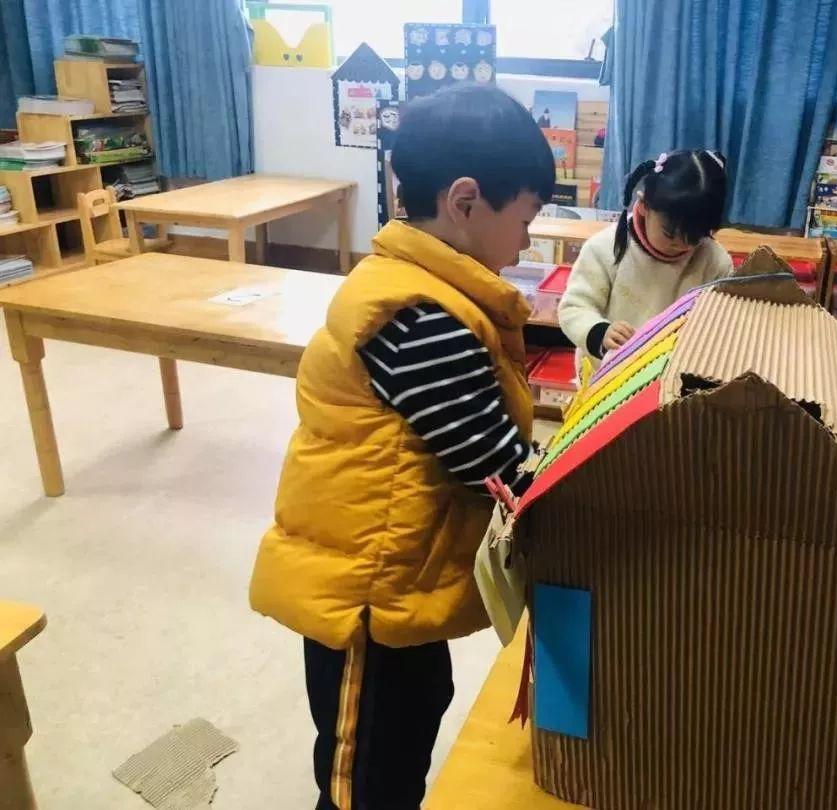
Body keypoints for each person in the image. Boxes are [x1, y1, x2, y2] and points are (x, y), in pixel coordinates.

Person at [249, 83, 555, 810]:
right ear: (465, 201)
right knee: (368, 778)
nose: (526, 243)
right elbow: (492, 466)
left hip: (397, 578)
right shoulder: (419, 317)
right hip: (363, 596)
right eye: (524, 221)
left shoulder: (422, 289)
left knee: (413, 717)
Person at [558, 149, 734, 374]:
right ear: (644, 206)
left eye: (695, 237)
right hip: (608, 378)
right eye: (669, 234)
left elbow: (719, 326)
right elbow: (574, 307)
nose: (683, 246)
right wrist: (600, 333)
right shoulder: (604, 249)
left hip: (674, 376)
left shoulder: (715, 262)